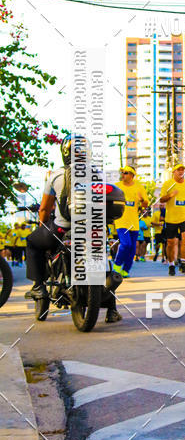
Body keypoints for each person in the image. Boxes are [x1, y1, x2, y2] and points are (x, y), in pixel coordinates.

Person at [25, 135, 124, 323]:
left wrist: (42, 224)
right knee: (102, 262)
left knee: (32, 241)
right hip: (92, 230)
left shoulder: (56, 175)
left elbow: (45, 209)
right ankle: (111, 309)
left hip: (62, 229)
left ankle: (38, 286)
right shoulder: (97, 174)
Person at [159, 163, 185, 276]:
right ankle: (171, 265)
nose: (181, 172)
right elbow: (162, 199)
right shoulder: (167, 184)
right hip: (171, 218)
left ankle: (183, 263)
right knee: (171, 243)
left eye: (182, 170)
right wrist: (171, 195)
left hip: (184, 216)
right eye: (178, 170)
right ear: (173, 172)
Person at [113, 166, 149, 279]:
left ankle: (125, 270)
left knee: (133, 248)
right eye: (122, 172)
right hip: (121, 221)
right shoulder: (117, 186)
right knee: (126, 244)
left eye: (126, 173)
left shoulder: (139, 187)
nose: (123, 174)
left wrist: (142, 199)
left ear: (132, 175)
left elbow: (145, 205)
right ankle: (117, 266)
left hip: (133, 222)